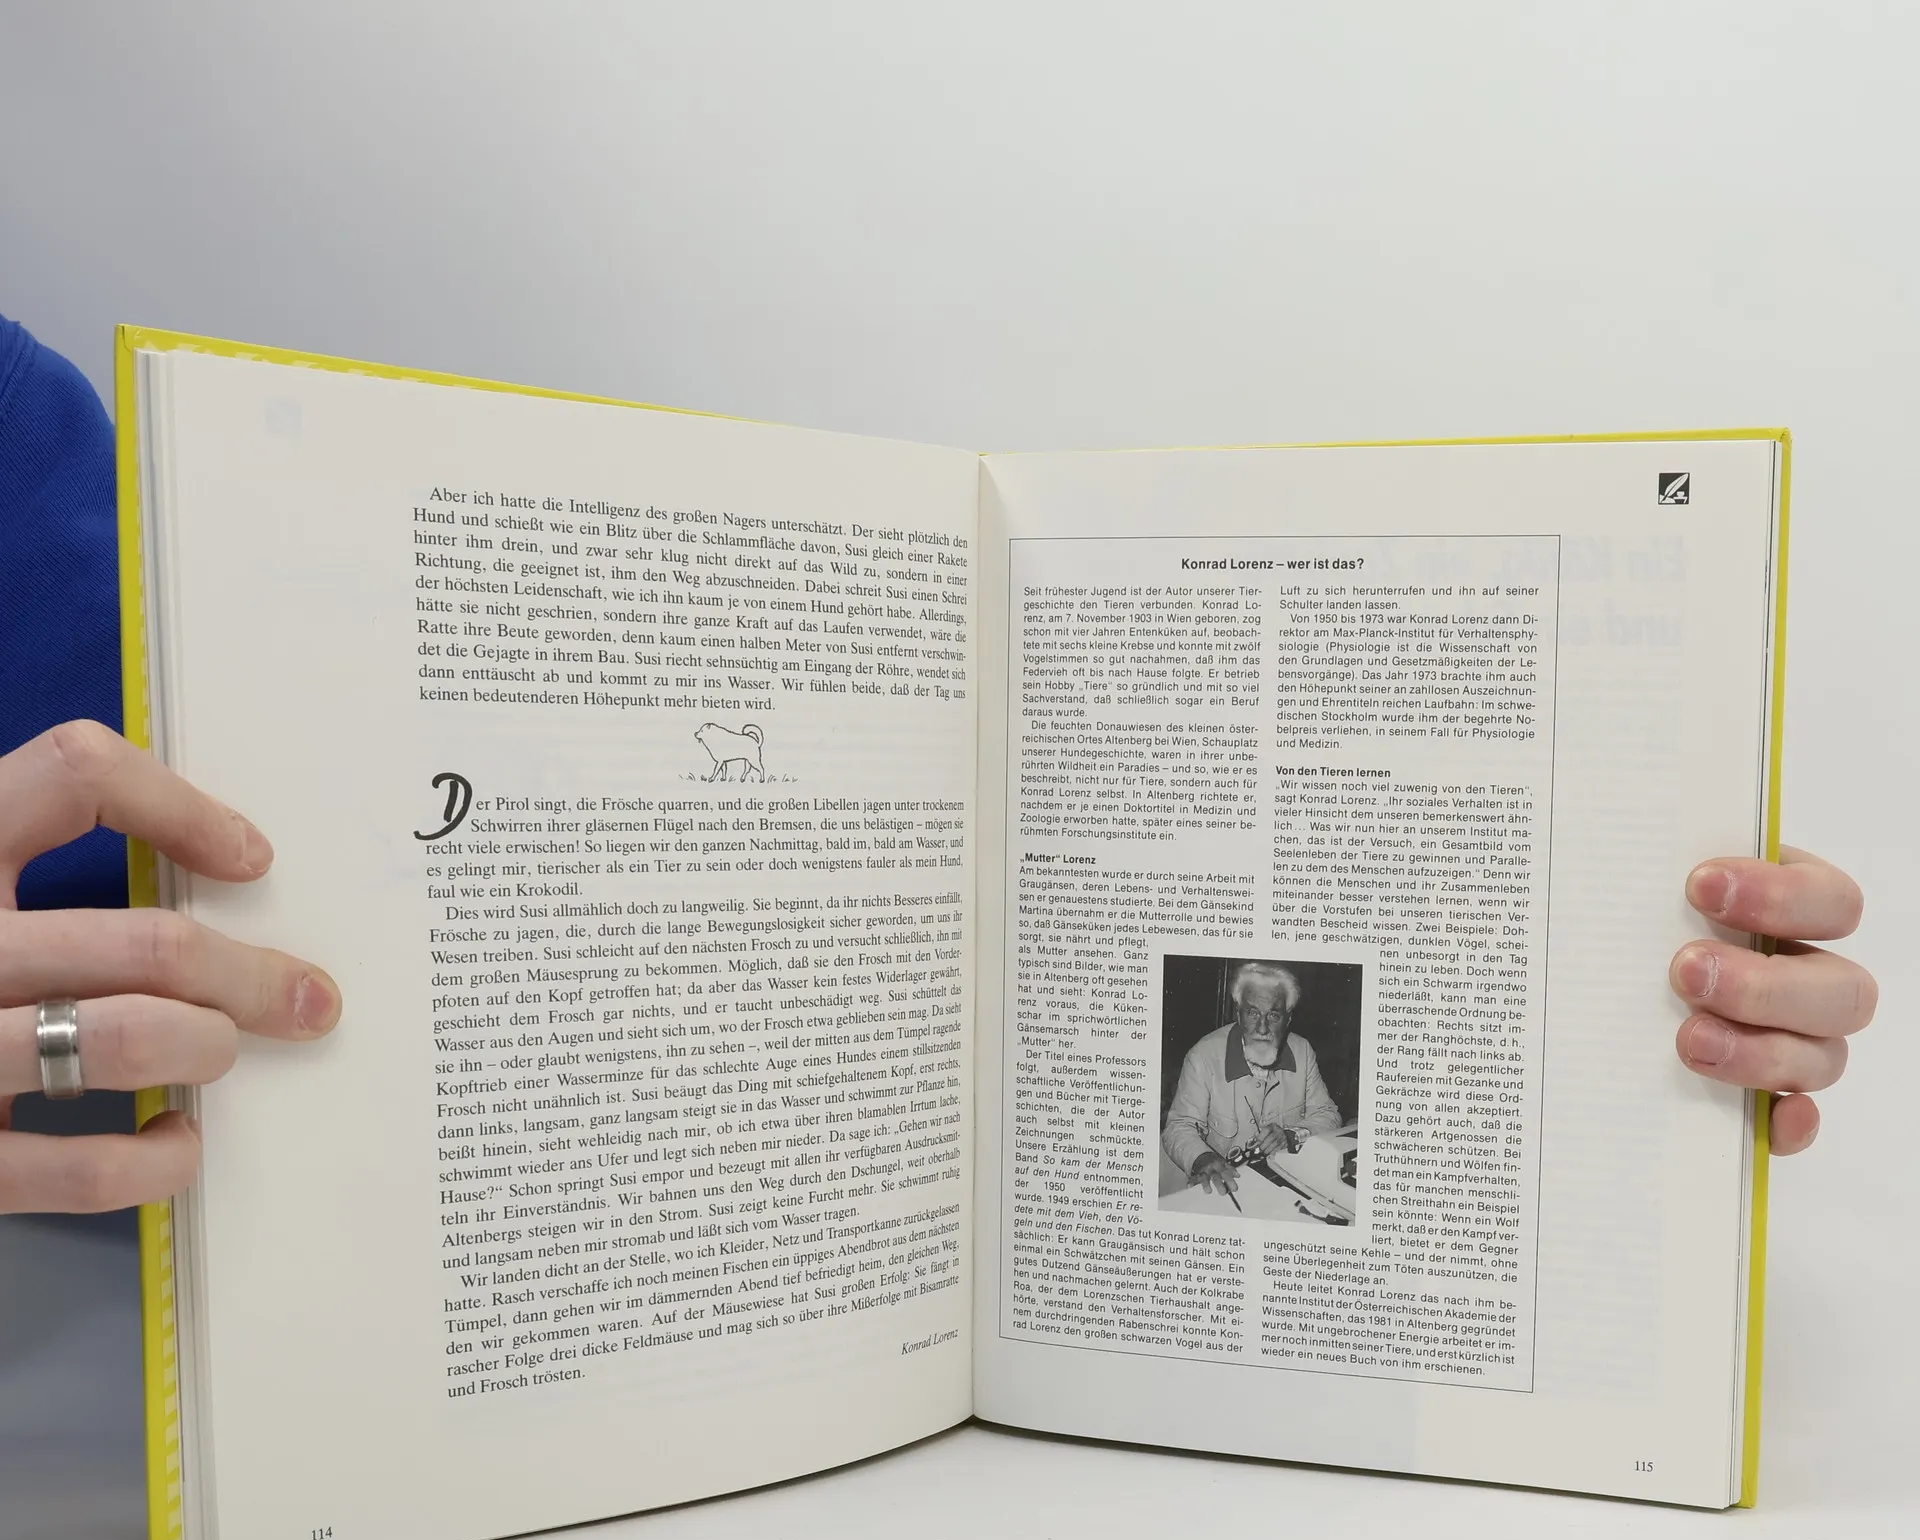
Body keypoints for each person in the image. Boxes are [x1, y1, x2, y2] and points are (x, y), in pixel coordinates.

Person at [0, 314, 1880, 1214]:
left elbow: (244, 928)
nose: (1254, 1012)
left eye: (1258, 1002)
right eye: (1243, 1001)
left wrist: (1642, 986)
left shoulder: (35, 452)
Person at [1163, 962, 1345, 1191]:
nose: (1262, 1028)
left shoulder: (1302, 1052)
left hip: (1284, 1184)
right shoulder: (1203, 1056)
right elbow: (1179, 1126)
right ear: (1238, 1014)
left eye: (1273, 1015)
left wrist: (1291, 1136)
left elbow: (1328, 1115)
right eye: (1253, 1013)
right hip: (1225, 1187)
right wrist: (1203, 1158)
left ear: (1288, 1019)